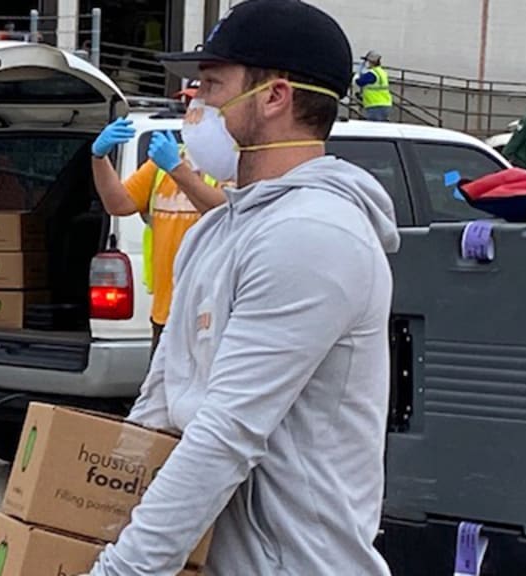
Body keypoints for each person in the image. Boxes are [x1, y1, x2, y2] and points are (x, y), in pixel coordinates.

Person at [82, 0, 401, 575]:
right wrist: (90, 518)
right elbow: (159, 403)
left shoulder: (314, 234)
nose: (195, 107)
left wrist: (121, 570)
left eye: (211, 86)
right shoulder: (218, 231)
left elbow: (226, 433)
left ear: (274, 97)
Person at [90, 90, 227, 357]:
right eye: (190, 108)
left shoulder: (230, 165)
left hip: (210, 315)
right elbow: (118, 204)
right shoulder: (163, 162)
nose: (193, 115)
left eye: (201, 108)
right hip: (165, 314)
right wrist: (99, 157)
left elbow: (224, 212)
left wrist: (177, 169)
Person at [356, 50, 392, 122]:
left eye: (366, 61)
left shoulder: (372, 73)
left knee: (374, 126)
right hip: (385, 104)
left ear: (371, 62)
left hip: (375, 105)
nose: (364, 63)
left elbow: (359, 82)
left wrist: (357, 75)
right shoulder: (381, 72)